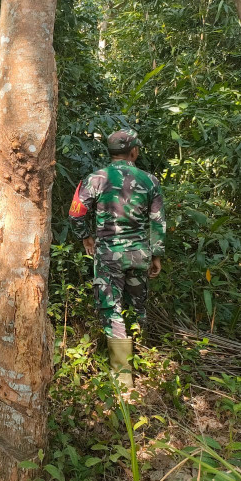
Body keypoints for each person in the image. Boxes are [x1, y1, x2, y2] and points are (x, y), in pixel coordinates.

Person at [68, 129, 165, 388]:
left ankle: (123, 377)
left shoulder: (96, 178)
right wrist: (156, 254)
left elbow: (76, 212)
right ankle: (144, 360)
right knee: (138, 306)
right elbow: (157, 221)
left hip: (109, 256)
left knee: (113, 310)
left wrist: (86, 238)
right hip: (139, 255)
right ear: (133, 151)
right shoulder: (150, 180)